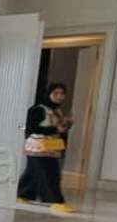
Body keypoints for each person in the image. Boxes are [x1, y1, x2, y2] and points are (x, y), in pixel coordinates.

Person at [17, 82, 75, 213]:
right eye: (56, 93)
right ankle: (55, 201)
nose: (60, 96)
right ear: (49, 94)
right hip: (37, 147)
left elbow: (58, 129)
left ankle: (23, 194)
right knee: (50, 174)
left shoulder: (57, 111)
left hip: (51, 147)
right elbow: (32, 128)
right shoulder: (38, 109)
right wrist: (54, 128)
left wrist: (66, 125)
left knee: (32, 172)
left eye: (62, 94)